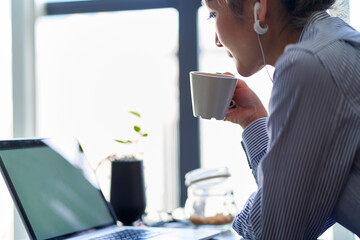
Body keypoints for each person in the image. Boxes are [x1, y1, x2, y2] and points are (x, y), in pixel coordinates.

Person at [202, 0, 360, 239]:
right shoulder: (336, 45)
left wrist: (240, 219)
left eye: (213, 14)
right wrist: (254, 119)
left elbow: (271, 230)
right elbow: (302, 206)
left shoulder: (310, 64)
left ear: (259, 7)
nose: (216, 40)